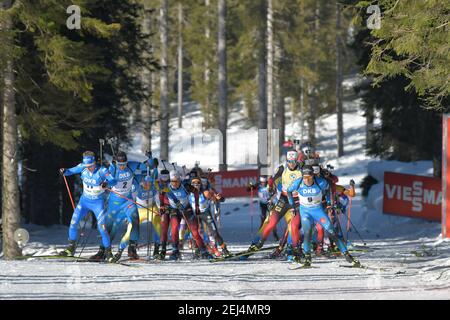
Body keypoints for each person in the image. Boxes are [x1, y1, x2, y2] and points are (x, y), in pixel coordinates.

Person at [287, 165, 360, 267]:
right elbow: (288, 190)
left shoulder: (320, 182)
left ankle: (348, 257)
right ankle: (308, 259)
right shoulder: (298, 182)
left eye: (309, 177)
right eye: (305, 178)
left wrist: (329, 204)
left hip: (318, 211)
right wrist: (292, 206)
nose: (307, 180)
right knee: (307, 234)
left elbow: (330, 189)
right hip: (305, 212)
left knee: (332, 232)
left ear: (313, 176)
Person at [59, 151, 117, 260]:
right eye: (87, 166)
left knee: (102, 228)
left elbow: (113, 180)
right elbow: (70, 171)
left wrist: (106, 183)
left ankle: (109, 254)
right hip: (84, 202)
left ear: (94, 162)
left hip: (97, 203)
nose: (89, 168)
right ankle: (70, 249)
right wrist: (64, 171)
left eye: (90, 166)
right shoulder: (82, 167)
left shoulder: (102, 170)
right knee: (73, 223)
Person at [93, 151, 148, 262]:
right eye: (120, 164)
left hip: (128, 200)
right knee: (110, 227)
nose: (122, 167)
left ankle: (132, 249)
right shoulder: (113, 169)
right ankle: (102, 251)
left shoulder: (131, 165)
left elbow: (144, 166)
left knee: (135, 219)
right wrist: (105, 184)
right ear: (116, 162)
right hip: (115, 203)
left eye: (124, 164)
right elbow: (108, 180)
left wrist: (141, 176)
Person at [245, 150, 303, 255]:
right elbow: (271, 181)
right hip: (281, 200)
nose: (291, 164)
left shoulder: (301, 170)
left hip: (295, 202)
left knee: (292, 226)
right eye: (289, 161)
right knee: (269, 222)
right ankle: (256, 244)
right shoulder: (281, 169)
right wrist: (272, 193)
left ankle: (291, 248)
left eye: (293, 161)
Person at [189, 174, 230, 257]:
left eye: (198, 184)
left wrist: (219, 198)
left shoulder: (205, 193)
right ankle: (198, 250)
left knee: (214, 233)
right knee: (195, 233)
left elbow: (217, 198)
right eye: (194, 184)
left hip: (205, 214)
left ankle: (224, 249)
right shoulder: (188, 193)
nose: (196, 186)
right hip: (195, 214)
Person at [247, 176, 279, 241]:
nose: (263, 184)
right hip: (262, 204)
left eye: (264, 182)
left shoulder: (269, 185)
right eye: (262, 182)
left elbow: (274, 191)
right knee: (263, 219)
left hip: (269, 204)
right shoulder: (258, 185)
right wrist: (249, 186)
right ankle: (260, 235)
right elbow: (249, 189)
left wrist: (272, 194)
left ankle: (275, 234)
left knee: (272, 219)